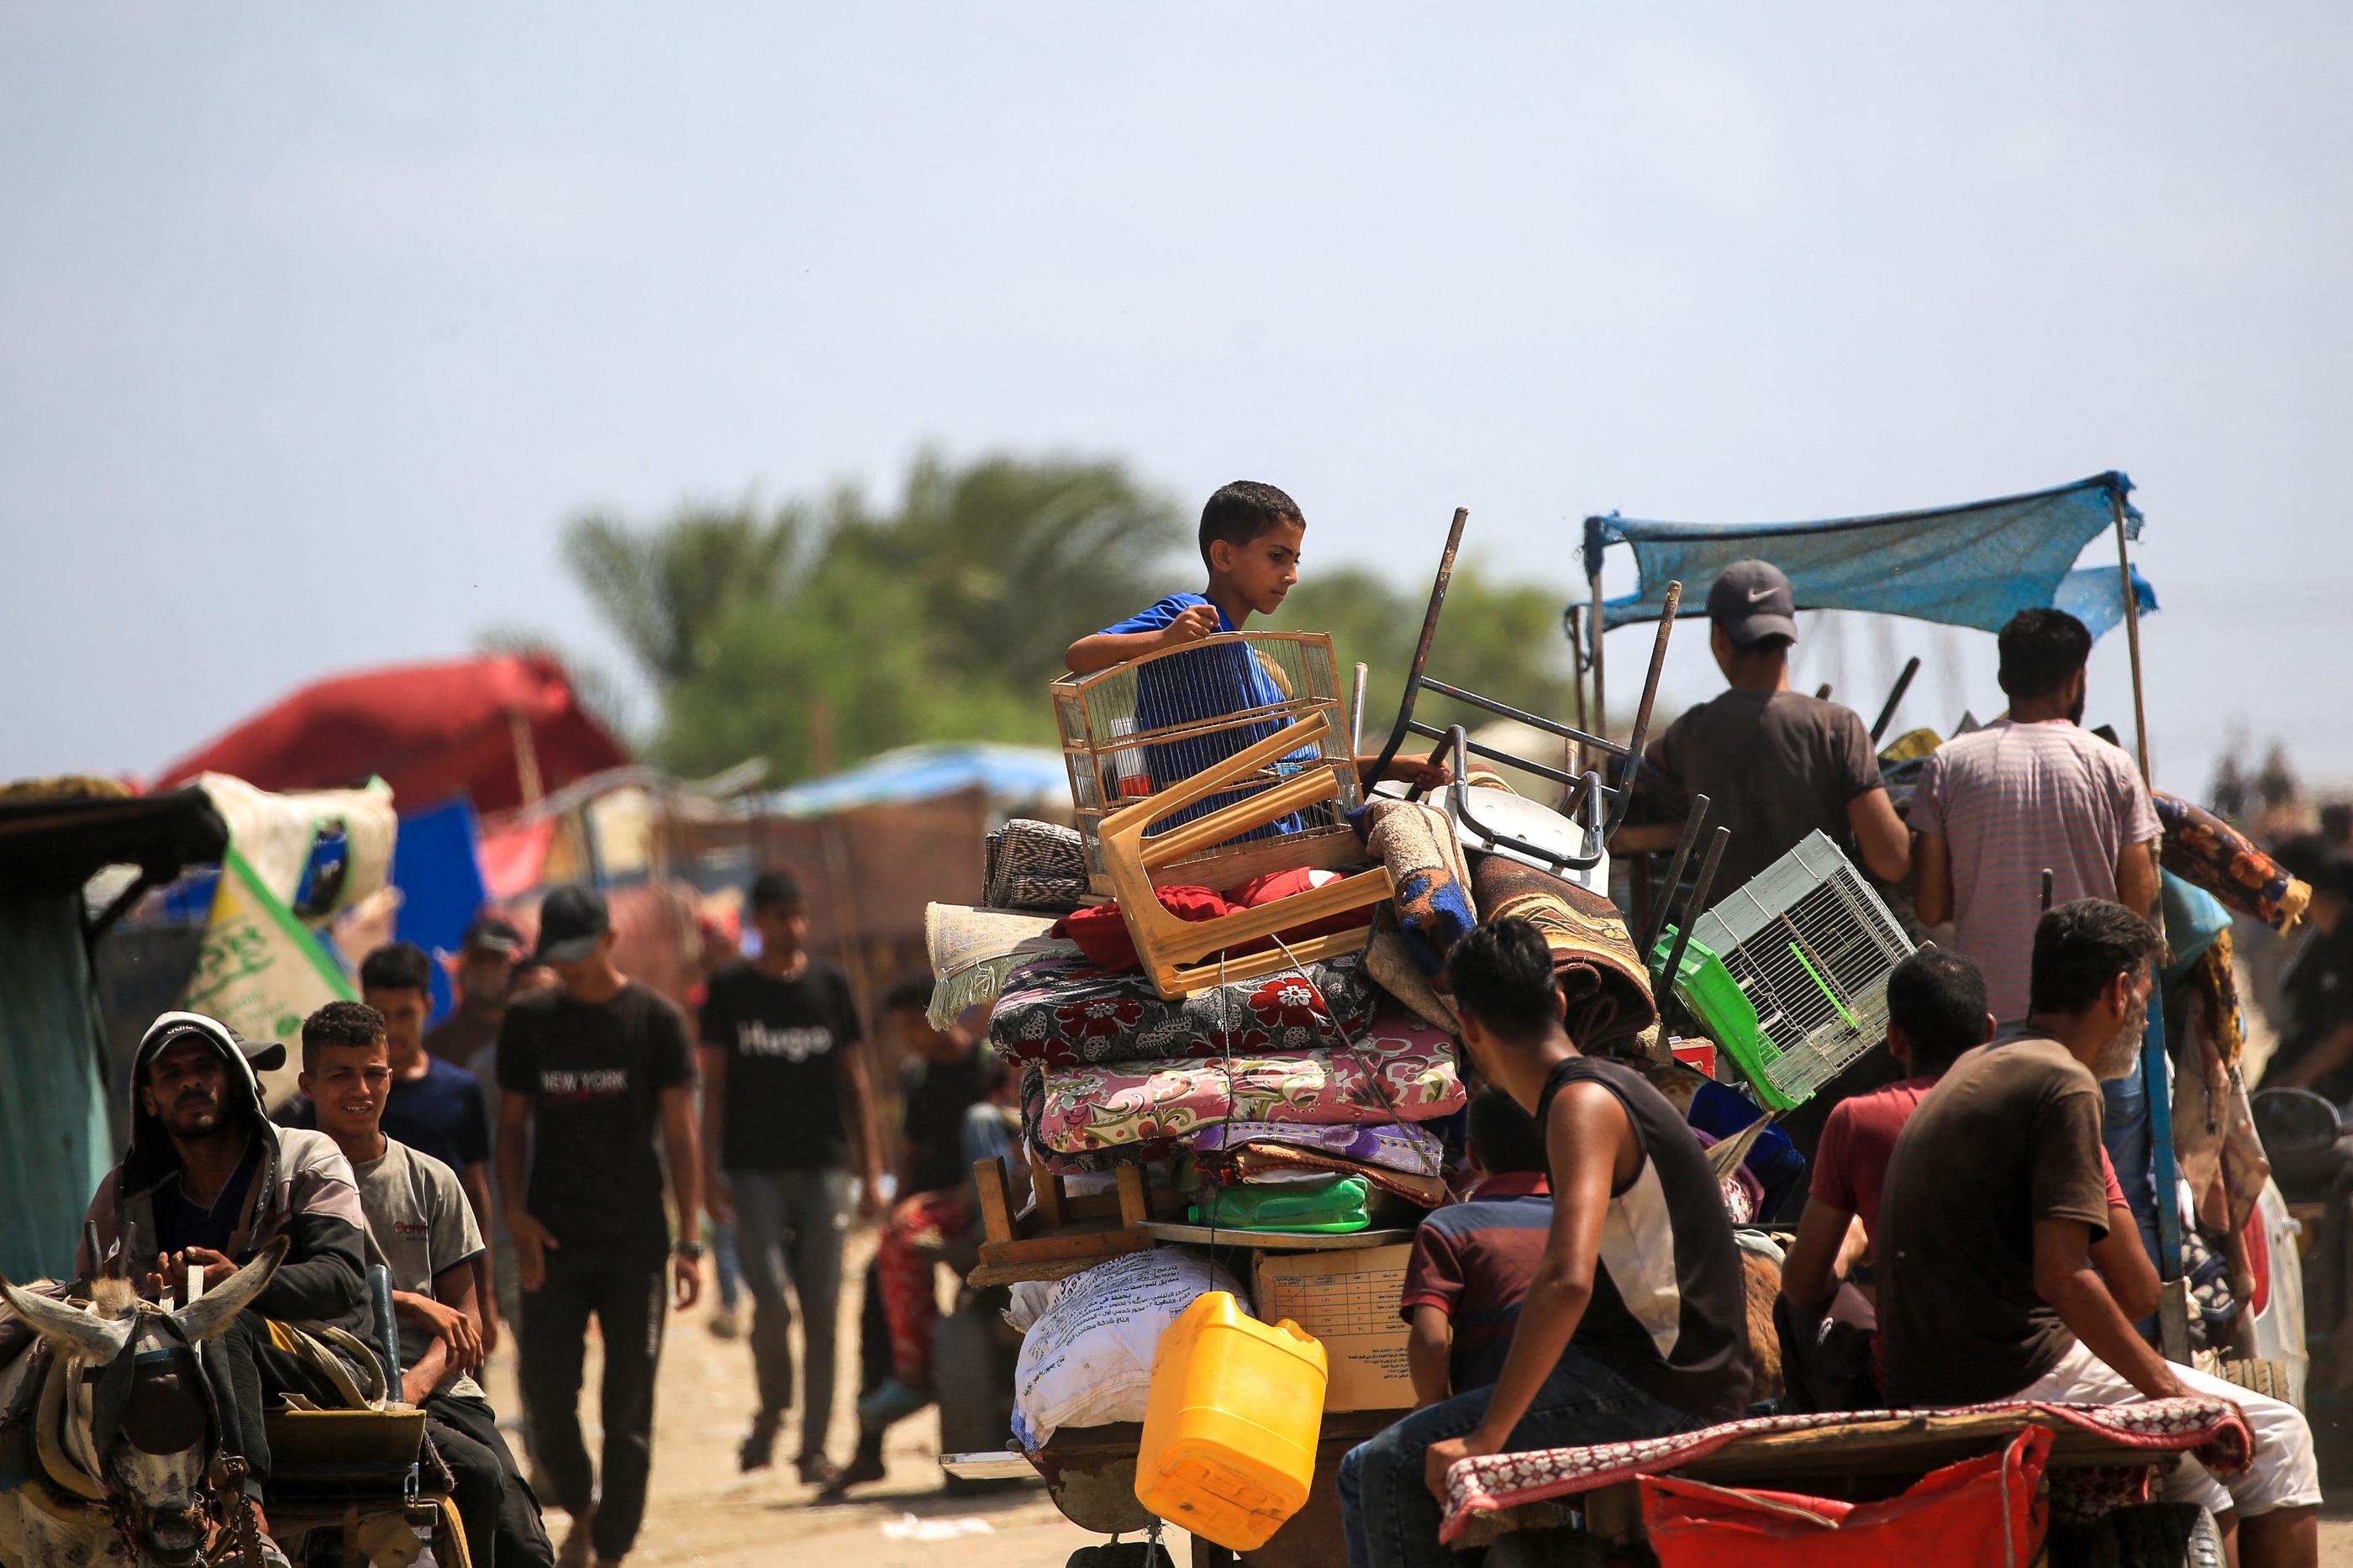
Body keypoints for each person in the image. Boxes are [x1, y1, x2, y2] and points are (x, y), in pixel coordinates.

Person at [1879, 901, 2319, 1566]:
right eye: (2144, 999)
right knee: (2282, 1437)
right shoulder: (2062, 1085)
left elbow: (2134, 1291)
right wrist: (2176, 1397)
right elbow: (2065, 1277)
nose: (2145, 1019)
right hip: (2010, 1374)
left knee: (2202, 1469)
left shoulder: (1992, 1065)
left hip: (1937, 1370)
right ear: (2118, 991)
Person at [1338, 918, 1750, 1568]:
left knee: (1378, 1467)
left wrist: (1487, 1438)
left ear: (1468, 1029)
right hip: (1657, 1374)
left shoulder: (1581, 1103)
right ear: (1558, 1002)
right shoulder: (1607, 1089)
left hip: (1662, 1388)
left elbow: (1565, 1280)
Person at [76, 1012, 376, 1568]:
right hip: (167, 1373)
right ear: (148, 1098)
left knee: (218, 1320)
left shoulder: (307, 1157)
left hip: (322, 1357)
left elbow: (342, 1280)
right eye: (172, 1073)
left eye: (204, 1068)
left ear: (235, 1080)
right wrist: (148, 1297)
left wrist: (234, 1283)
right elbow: (89, 1302)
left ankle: (246, 1516)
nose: (190, 1081)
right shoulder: (125, 1193)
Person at [1911, 607, 2166, 1260]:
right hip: (2098, 1034)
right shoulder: (2111, 766)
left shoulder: (1947, 765)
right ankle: (2126, 1349)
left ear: (2002, 675)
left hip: (1991, 1036)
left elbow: (1932, 900)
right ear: (2077, 680)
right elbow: (2140, 908)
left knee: (2003, 1211)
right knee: (2114, 1210)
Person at [1778, 949, 2154, 1379]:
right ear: (1989, 1033)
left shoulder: (1857, 1120)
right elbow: (2139, 1291)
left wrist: (1850, 1247)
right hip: (2037, 1369)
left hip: (1916, 1382)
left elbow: (1803, 1288)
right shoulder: (2048, 1112)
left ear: (1895, 1039)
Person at [299, 1001, 555, 1568]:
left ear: (391, 1077)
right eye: (340, 1075)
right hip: (320, 1397)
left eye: (373, 1073)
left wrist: (410, 1391)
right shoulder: (287, 1181)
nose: (359, 1089)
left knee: (512, 1524)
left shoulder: (432, 1180)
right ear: (308, 1084)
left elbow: (466, 1323)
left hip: (434, 1395)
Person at [496, 886, 703, 1568]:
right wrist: (516, 1215)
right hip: (552, 1242)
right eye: (560, 957)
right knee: (547, 1400)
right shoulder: (528, 1021)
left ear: (610, 940)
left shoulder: (656, 1021)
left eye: (581, 954)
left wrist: (689, 1240)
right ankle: (580, 1510)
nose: (571, 968)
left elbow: (680, 1134)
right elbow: (512, 1127)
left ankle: (610, 1545)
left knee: (628, 1411)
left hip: (636, 1244)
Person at [1062, 478, 1448, 792]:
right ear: (1224, 556)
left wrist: (1393, 767)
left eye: (1295, 560)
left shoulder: (1260, 672)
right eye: (1276, 557)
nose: (1291, 576)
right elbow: (1080, 656)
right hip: (1194, 831)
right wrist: (1163, 641)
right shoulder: (1189, 615)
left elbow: (1301, 769)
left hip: (1265, 826)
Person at [697, 869, 882, 1484]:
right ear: (758, 922)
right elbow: (713, 1088)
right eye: (780, 916)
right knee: (772, 1303)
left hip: (824, 1166)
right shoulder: (729, 988)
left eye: (800, 914)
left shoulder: (829, 984)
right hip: (752, 1172)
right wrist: (707, 1173)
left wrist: (871, 1167)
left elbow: (856, 1079)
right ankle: (774, 1410)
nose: (793, 927)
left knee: (824, 1309)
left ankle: (812, 1448)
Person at [1617, 558, 1911, 897]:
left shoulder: (1692, 733)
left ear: (1720, 638)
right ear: (1788, 635)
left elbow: (1639, 768)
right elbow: (1893, 861)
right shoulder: (1838, 728)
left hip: (1728, 943)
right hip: (1828, 940)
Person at [821, 981, 1002, 1497]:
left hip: (975, 1203)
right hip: (931, 1207)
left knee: (912, 1256)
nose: (905, 1037)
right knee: (875, 1288)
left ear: (935, 1016)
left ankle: (918, 1374)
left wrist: (920, 1206)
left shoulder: (986, 1065)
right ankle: (867, 1448)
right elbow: (912, 1152)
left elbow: (1000, 1152)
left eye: (909, 1024)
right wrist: (899, 1207)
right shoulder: (918, 1076)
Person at [1398, 1088, 1553, 1408]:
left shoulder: (1447, 1228)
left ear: (1473, 1155)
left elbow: (1431, 1341)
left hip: (1489, 1412)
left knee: (1362, 1460)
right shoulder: (1595, 1220)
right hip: (1599, 1408)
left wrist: (1432, 1406)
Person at [2259, 839, 2353, 1101]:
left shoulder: (2345, 935)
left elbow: (2347, 1034)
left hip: (2336, 1100)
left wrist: (2293, 1080)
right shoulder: (2320, 939)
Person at [427, 915, 527, 1065]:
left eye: (497, 960)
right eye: (478, 960)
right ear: (461, 970)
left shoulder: (537, 1034)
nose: (487, 970)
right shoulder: (436, 1045)